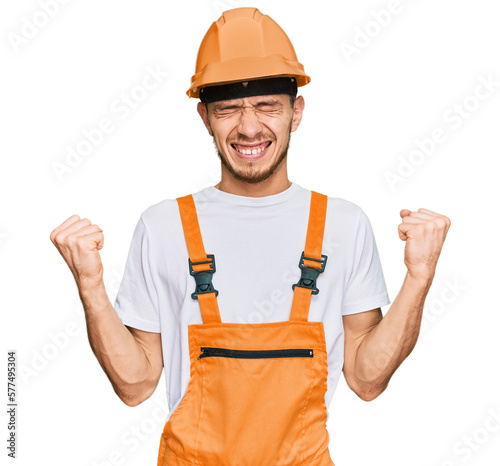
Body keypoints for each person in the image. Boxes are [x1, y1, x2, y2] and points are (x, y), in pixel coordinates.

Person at [49, 7, 451, 465]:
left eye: (266, 106)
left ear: (296, 111)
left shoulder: (343, 225)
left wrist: (419, 278)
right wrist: (90, 285)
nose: (249, 127)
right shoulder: (163, 227)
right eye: (228, 109)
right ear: (204, 117)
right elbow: (135, 385)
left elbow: (366, 379)